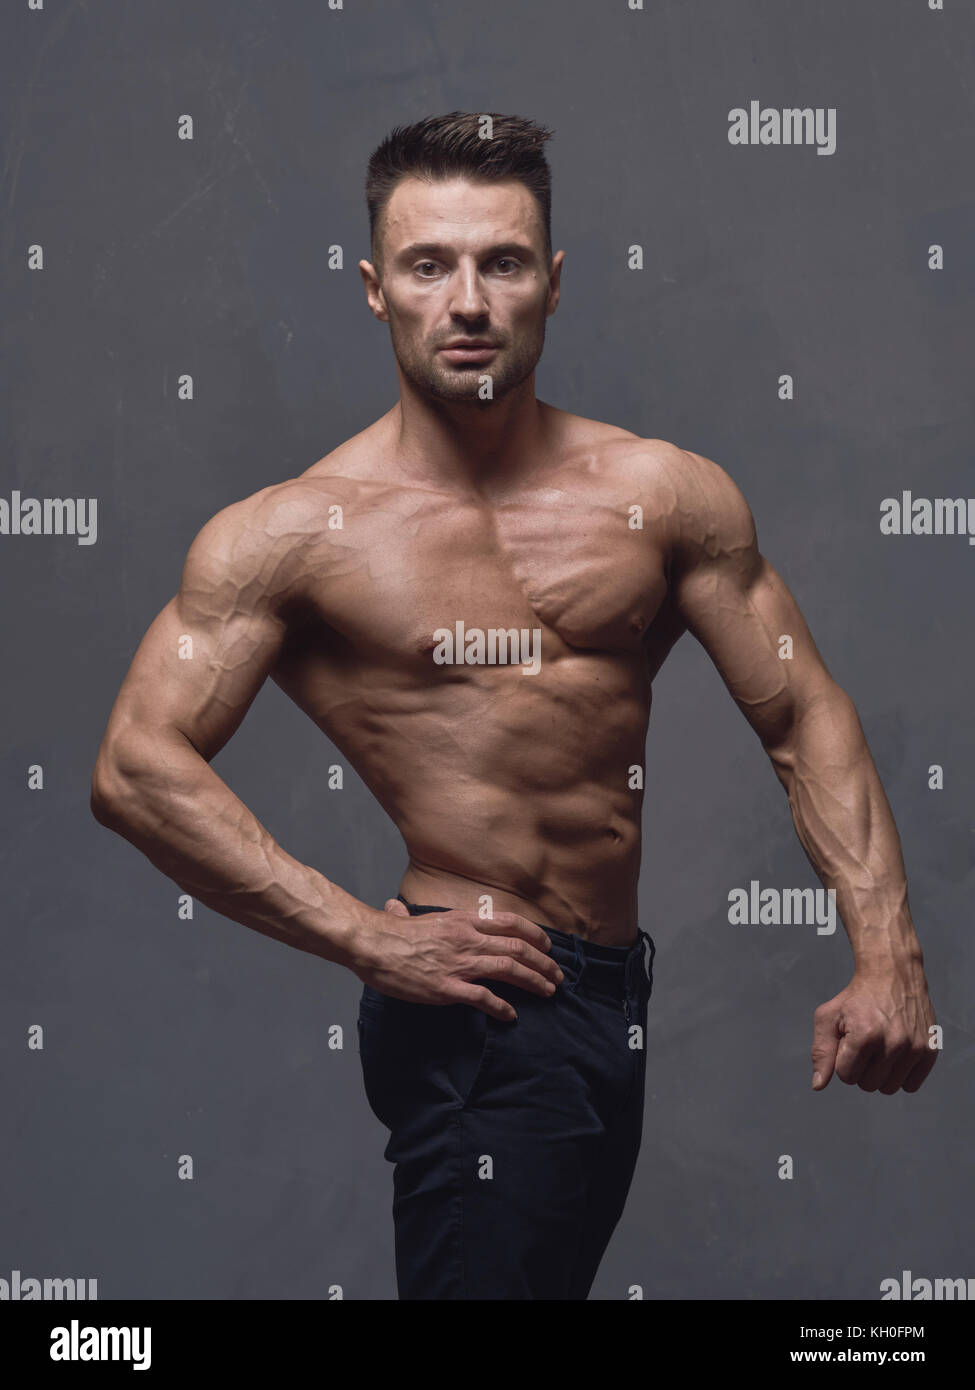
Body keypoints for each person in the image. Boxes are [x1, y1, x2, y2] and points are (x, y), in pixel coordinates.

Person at [90, 111, 938, 1300]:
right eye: (431, 265)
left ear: (554, 280)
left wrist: (886, 950)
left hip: (613, 999)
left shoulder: (664, 495)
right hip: (482, 1015)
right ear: (377, 290)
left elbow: (805, 714)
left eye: (503, 261)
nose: (470, 298)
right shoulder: (295, 534)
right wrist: (365, 936)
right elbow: (135, 765)